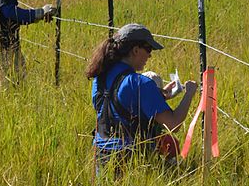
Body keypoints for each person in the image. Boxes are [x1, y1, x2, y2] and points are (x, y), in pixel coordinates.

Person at [85, 23, 198, 175]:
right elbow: (174, 124)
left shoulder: (99, 78)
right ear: (135, 50)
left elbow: (118, 105)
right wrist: (189, 94)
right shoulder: (140, 83)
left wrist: (161, 95)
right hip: (129, 159)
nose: (150, 55)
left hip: (100, 157)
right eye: (148, 49)